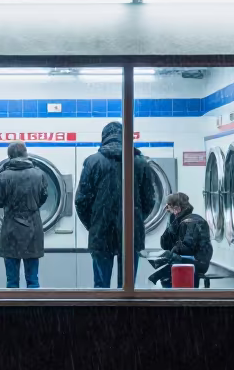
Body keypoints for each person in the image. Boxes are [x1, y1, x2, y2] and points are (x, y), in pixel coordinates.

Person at [75, 121, 157, 288]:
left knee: (101, 287)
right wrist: (136, 218)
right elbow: (149, 200)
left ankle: (101, 314)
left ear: (104, 137)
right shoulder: (140, 162)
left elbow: (81, 200)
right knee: (127, 288)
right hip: (130, 231)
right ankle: (125, 314)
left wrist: (94, 223)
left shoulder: (93, 162)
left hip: (101, 230)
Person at [0, 141, 48, 288]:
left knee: (12, 281)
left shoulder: (3, 176)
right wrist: (31, 207)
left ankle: (12, 310)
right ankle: (34, 310)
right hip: (33, 228)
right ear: (26, 154)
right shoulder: (39, 174)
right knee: (33, 280)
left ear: (9, 156)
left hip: (11, 229)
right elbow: (44, 197)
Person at [156, 192, 214, 287]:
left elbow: (187, 248)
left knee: (164, 269)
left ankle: (173, 296)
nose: (168, 211)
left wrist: (173, 252)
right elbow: (165, 243)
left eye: (169, 209)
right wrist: (170, 219)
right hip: (200, 262)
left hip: (196, 263)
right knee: (165, 261)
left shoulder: (189, 222)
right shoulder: (184, 220)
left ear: (177, 209)